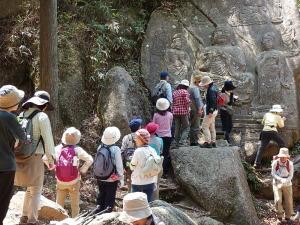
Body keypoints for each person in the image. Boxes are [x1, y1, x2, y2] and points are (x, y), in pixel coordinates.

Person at [15, 90, 56, 225]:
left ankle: (24, 217)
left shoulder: (21, 114)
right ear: (44, 105)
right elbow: (48, 140)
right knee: (36, 189)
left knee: (29, 188)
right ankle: (32, 220)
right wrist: (51, 160)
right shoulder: (42, 117)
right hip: (35, 157)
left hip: (18, 156)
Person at [0, 85, 26, 225]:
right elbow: (23, 139)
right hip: (6, 166)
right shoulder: (9, 117)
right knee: (3, 199)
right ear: (14, 103)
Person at [54, 127, 93, 218]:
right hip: (74, 181)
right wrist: (83, 170)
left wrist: (52, 167)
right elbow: (90, 159)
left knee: (59, 204)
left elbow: (44, 158)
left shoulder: (57, 148)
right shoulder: (77, 149)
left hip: (60, 181)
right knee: (75, 205)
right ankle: (75, 220)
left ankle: (59, 220)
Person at [96, 126, 124, 212]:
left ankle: (98, 211)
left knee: (101, 194)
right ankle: (107, 213)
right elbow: (119, 166)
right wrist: (121, 178)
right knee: (110, 196)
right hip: (111, 178)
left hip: (100, 176)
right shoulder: (116, 149)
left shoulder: (100, 147)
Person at [254, 105, 286, 169]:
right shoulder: (278, 116)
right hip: (272, 131)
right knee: (282, 144)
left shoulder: (266, 114)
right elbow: (281, 126)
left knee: (262, 148)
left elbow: (263, 122)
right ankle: (283, 160)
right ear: (277, 111)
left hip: (264, 131)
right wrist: (283, 120)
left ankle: (257, 163)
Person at [130, 129, 158, 202]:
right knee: (147, 204)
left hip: (138, 181)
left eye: (137, 138)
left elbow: (132, 166)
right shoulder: (153, 150)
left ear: (141, 139)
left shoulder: (138, 151)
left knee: (135, 203)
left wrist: (129, 164)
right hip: (150, 181)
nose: (135, 140)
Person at [271, 148, 293, 224]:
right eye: (281, 156)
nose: (283, 158)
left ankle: (288, 217)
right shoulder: (275, 163)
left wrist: (286, 180)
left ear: (287, 157)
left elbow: (291, 175)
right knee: (278, 200)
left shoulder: (290, 164)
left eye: (284, 156)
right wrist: (280, 179)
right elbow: (273, 173)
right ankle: (279, 217)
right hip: (277, 183)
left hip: (287, 184)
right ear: (279, 156)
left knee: (289, 201)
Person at [153, 98, 173, 178]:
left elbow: (154, 125)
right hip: (167, 136)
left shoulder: (156, 115)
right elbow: (170, 125)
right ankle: (164, 172)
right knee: (165, 154)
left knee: (157, 153)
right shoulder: (170, 115)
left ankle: (156, 171)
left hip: (158, 136)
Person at [121, 118, 143, 191]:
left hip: (128, 162)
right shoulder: (142, 137)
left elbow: (122, 151)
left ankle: (130, 192)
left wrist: (122, 165)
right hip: (139, 162)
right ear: (139, 128)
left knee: (129, 176)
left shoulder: (126, 137)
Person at [145, 122, 163, 200]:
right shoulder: (160, 140)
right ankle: (156, 202)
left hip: (146, 165)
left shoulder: (144, 140)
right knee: (156, 184)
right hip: (157, 164)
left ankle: (146, 201)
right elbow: (161, 151)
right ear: (155, 131)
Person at [199, 75, 218, 148]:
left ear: (207, 84)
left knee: (204, 126)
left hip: (211, 111)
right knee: (211, 126)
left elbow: (213, 101)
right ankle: (213, 141)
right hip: (214, 110)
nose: (203, 86)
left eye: (204, 85)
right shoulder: (213, 88)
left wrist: (210, 111)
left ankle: (208, 142)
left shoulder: (211, 90)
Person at [172, 80, 191, 147]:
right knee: (186, 127)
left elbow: (173, 102)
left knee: (177, 128)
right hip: (184, 112)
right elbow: (187, 102)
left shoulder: (175, 92)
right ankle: (182, 142)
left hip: (175, 112)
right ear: (186, 86)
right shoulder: (185, 92)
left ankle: (175, 142)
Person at [219, 80, 237, 144]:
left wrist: (233, 99)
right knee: (226, 126)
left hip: (229, 111)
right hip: (224, 111)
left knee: (230, 126)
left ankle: (226, 137)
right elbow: (221, 104)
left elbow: (231, 103)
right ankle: (226, 139)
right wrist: (227, 104)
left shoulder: (230, 94)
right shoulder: (222, 94)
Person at [189, 71, 203, 146]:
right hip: (196, 109)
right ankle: (194, 141)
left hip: (191, 108)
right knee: (196, 125)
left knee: (192, 125)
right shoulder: (195, 88)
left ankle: (192, 140)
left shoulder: (189, 87)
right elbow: (197, 99)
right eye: (200, 81)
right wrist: (200, 109)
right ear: (197, 81)